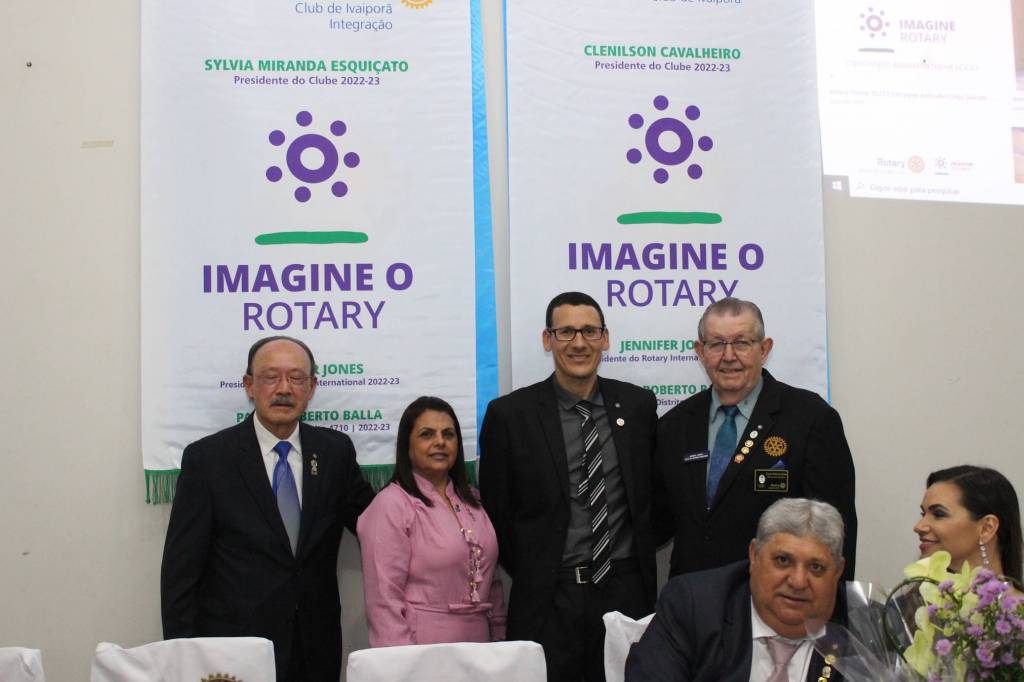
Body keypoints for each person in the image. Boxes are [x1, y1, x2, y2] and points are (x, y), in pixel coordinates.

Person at [160, 336, 374, 682]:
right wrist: (183, 656)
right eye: (271, 377)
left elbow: (377, 524)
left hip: (315, 648)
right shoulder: (208, 459)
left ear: (312, 387)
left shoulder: (334, 452)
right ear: (249, 385)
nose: (284, 389)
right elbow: (180, 573)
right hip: (233, 652)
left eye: (296, 378)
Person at [479, 291, 660, 682]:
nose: (579, 343)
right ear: (548, 340)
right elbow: (497, 514)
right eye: (566, 332)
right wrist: (538, 567)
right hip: (550, 599)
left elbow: (655, 502)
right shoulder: (510, 416)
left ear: (605, 338)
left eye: (589, 331)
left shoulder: (638, 407)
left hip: (626, 594)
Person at [654, 297, 857, 579]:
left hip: (778, 595)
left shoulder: (811, 419)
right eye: (716, 344)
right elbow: (658, 520)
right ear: (700, 351)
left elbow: (836, 530)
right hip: (692, 596)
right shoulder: (674, 425)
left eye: (741, 343)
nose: (728, 356)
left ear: (764, 349)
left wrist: (832, 603)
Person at [626, 498, 847, 682]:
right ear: (754, 555)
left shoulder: (861, 630)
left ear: (838, 571)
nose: (798, 582)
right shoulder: (694, 607)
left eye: (816, 567)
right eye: (783, 560)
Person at [358, 396, 506, 646]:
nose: (440, 442)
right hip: (420, 649)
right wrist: (402, 661)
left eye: (448, 434)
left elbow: (493, 582)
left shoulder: (473, 502)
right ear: (406, 445)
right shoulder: (391, 505)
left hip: (481, 651)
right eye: (426, 434)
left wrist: (500, 640)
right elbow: (384, 600)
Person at [914, 465, 1023, 584]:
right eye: (923, 514)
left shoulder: (1014, 598)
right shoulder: (915, 596)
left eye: (938, 514)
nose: (918, 527)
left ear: (986, 528)